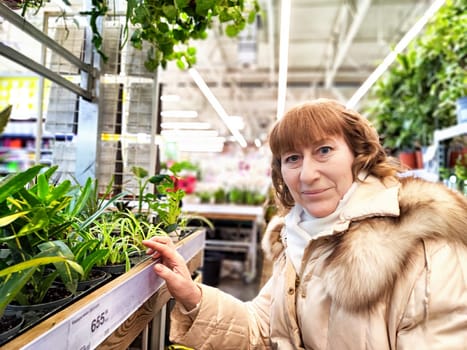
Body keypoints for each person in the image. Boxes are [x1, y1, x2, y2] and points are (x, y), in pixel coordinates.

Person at [143, 99, 467, 349]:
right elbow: (262, 329)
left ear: (360, 155)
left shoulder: (425, 248)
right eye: (292, 158)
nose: (307, 174)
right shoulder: (300, 237)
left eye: (324, 151)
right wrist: (192, 296)